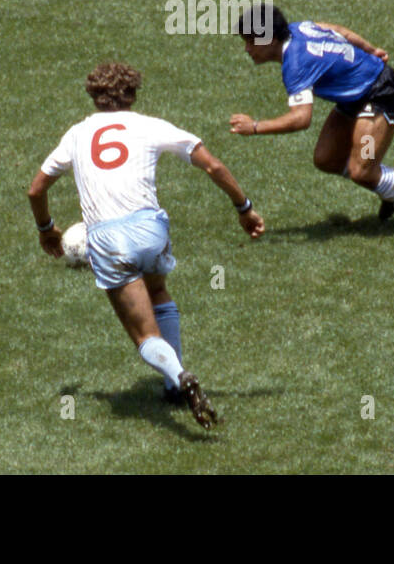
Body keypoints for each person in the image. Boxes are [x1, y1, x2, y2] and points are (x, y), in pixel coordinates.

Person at [27, 62, 263, 429]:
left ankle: (179, 375)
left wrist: (47, 230)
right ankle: (174, 387)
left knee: (144, 335)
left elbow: (36, 188)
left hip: (107, 239)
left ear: (93, 96)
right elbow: (213, 166)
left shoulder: (76, 134)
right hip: (151, 229)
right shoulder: (150, 126)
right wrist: (244, 208)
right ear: (133, 96)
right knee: (158, 290)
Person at [229, 3, 394, 232]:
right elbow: (340, 30)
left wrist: (255, 127)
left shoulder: (296, 64)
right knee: (326, 158)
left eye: (251, 41)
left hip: (380, 97)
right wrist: (370, 49)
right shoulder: (300, 28)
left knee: (362, 170)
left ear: (269, 39)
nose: (247, 49)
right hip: (355, 99)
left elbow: (301, 118)